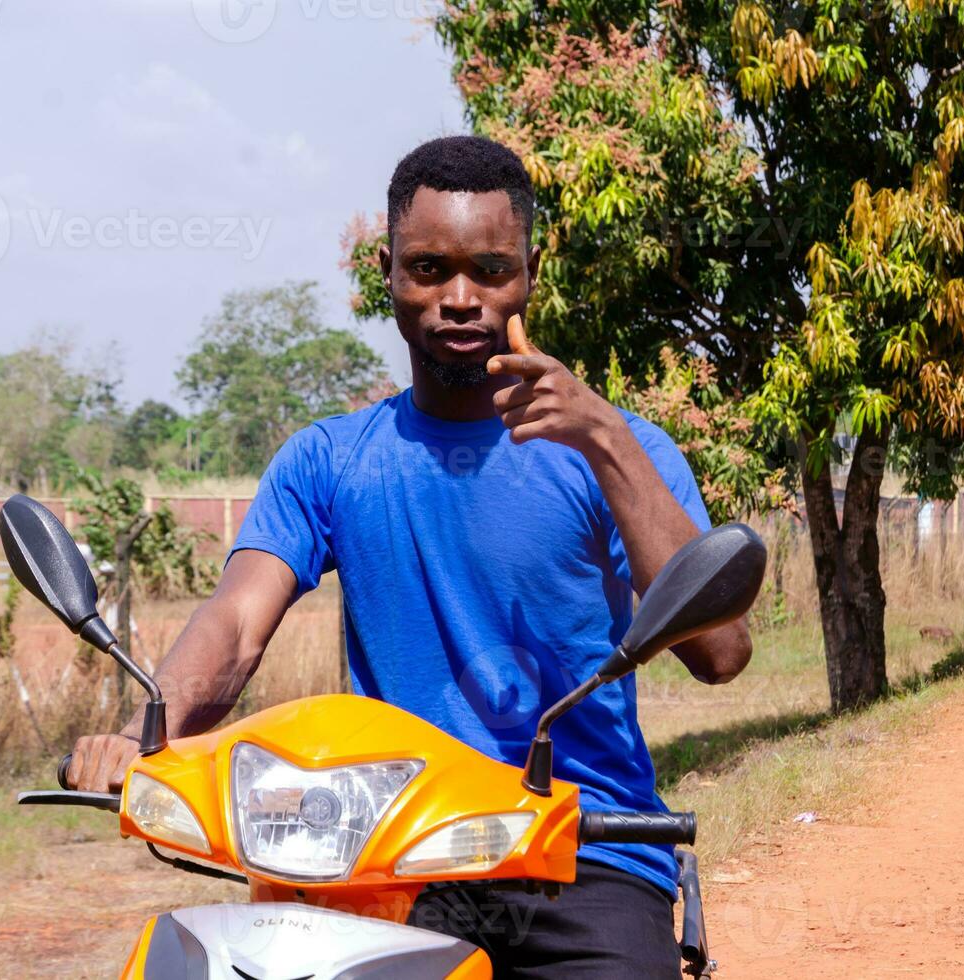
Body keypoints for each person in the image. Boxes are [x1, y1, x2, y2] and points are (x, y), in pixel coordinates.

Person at [66, 134, 752, 977]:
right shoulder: (330, 459)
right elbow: (238, 623)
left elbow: (720, 651)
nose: (460, 297)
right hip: (386, 853)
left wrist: (604, 438)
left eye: (490, 269)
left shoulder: (619, 449)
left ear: (529, 272)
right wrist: (149, 733)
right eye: (429, 269)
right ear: (388, 272)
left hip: (583, 856)